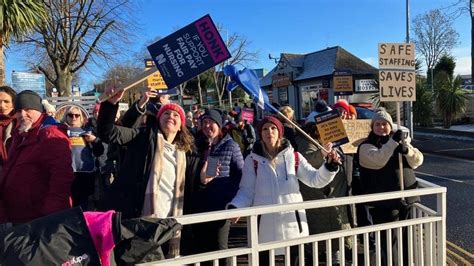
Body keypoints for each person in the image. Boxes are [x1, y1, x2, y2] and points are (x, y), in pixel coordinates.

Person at [227, 116, 341, 264]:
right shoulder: (252, 160)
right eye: (265, 129)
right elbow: (246, 191)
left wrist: (329, 167)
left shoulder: (294, 157)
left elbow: (315, 179)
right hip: (264, 228)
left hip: (293, 226)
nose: (269, 132)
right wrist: (236, 207)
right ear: (260, 133)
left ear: (280, 132)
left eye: (273, 128)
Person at [97, 88, 194, 259]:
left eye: (176, 115)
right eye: (166, 114)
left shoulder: (184, 155)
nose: (171, 117)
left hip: (168, 225)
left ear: (181, 127)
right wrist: (111, 104)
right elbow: (108, 132)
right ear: (158, 119)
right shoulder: (141, 138)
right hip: (138, 220)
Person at [353, 107, 423, 265]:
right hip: (385, 203)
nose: (381, 127)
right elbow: (378, 160)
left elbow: (417, 161)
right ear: (372, 127)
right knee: (391, 243)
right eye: (377, 124)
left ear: (391, 126)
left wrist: (407, 151)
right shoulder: (365, 146)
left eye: (385, 124)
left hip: (407, 199)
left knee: (407, 240)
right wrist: (392, 143)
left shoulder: (399, 142)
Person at [0, 90, 74, 228]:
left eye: (28, 109)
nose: (22, 114)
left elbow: (61, 178)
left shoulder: (50, 134)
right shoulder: (20, 134)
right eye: (19, 110)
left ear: (39, 110)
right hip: (18, 215)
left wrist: (51, 216)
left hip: (38, 219)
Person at [294, 122, 352, 262]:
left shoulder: (330, 143)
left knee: (333, 242)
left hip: (333, 197)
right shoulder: (307, 144)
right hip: (322, 197)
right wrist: (322, 153)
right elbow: (308, 162)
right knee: (323, 242)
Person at [192, 108, 244, 260]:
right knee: (203, 249)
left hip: (221, 206)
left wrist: (236, 204)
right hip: (200, 205)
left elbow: (240, 175)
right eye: (205, 122)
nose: (207, 126)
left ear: (219, 125)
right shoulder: (198, 146)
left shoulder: (231, 146)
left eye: (211, 123)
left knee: (220, 249)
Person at [61, 106, 104, 210]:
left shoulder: (88, 131)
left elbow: (99, 151)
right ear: (66, 117)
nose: (74, 118)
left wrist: (95, 140)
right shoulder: (61, 131)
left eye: (77, 115)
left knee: (84, 205)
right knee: (68, 204)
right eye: (70, 115)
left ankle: (82, 223)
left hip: (86, 173)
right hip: (67, 173)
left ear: (81, 118)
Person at [0, 86, 17, 171]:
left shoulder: (21, 121)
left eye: (6, 101)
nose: (2, 105)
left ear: (13, 104)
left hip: (15, 169)